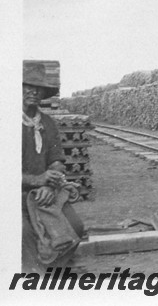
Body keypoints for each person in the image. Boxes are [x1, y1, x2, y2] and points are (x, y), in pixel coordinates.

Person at [22, 62, 84, 272]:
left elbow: (57, 160)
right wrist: (37, 180)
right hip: (13, 193)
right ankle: (31, 278)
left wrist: (49, 185)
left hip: (44, 192)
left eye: (38, 88)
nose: (33, 92)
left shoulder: (48, 123)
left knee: (75, 226)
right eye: (27, 86)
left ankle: (53, 269)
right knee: (23, 232)